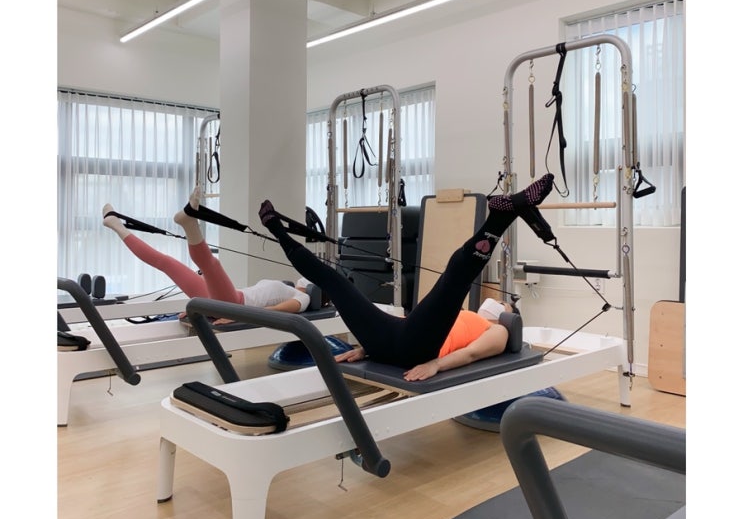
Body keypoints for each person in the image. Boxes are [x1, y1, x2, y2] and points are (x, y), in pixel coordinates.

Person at [257, 173, 555, 381]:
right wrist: (366, 349)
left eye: (505, 305)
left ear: (509, 316)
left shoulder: (499, 330)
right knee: (333, 281)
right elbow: (411, 322)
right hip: (388, 339)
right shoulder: (467, 315)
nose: (500, 303)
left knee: (455, 280)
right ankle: (278, 230)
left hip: (417, 351)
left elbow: (470, 356)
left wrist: (436, 365)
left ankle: (501, 216)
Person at [102, 191, 312, 318]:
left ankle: (190, 222)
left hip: (234, 305)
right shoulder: (289, 287)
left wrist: (241, 316)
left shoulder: (303, 297)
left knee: (212, 264)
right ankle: (116, 225)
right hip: (221, 299)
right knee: (166, 262)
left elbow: (278, 311)